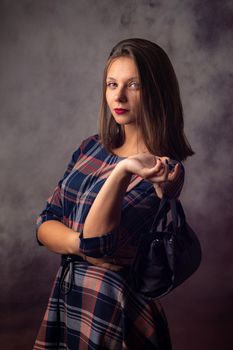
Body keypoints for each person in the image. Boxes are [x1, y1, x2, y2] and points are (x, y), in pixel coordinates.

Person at [33, 38, 194, 350]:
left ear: (156, 91)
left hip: (114, 306)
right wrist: (80, 248)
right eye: (111, 84)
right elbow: (44, 224)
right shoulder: (90, 147)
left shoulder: (164, 170)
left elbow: (98, 240)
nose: (118, 96)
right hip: (69, 295)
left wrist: (124, 170)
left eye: (133, 84)